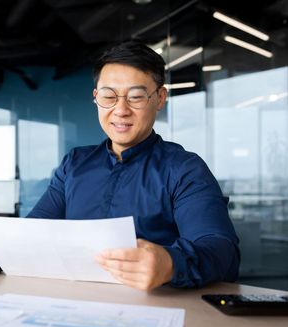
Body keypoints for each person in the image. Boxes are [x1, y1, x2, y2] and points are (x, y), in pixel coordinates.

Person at [27, 41, 240, 291]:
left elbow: (221, 250)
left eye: (136, 97)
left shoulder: (184, 169)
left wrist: (170, 264)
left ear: (160, 98)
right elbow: (33, 232)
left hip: (156, 307)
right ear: (96, 98)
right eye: (109, 96)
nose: (120, 110)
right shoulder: (74, 164)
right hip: (74, 301)